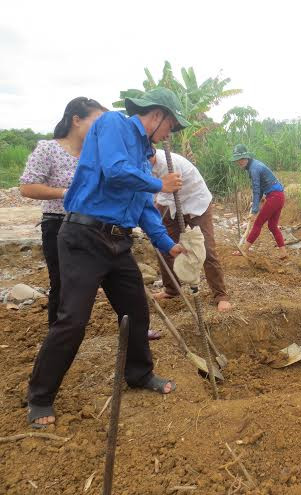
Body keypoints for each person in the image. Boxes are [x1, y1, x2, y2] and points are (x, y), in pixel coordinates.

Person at [26, 88, 190, 428]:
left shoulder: (144, 152)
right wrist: (159, 183)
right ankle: (40, 397)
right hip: (84, 236)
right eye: (170, 126)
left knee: (136, 311)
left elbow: (143, 207)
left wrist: (166, 243)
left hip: (117, 242)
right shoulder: (115, 125)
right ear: (156, 114)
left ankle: (139, 374)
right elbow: (115, 171)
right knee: (72, 319)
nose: (168, 135)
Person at [19, 97, 107, 325]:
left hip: (92, 225)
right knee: (61, 283)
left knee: (101, 279)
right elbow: (27, 187)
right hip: (58, 224)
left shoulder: (96, 153)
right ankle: (57, 337)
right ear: (76, 120)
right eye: (96, 122)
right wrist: (66, 193)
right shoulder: (48, 149)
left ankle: (132, 327)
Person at [150, 148, 232, 312]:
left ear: (150, 155)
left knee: (207, 250)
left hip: (196, 202)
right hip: (169, 203)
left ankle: (220, 295)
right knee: (163, 245)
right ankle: (171, 289)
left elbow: (169, 189)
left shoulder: (167, 163)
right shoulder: (142, 164)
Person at [231, 144, 287, 259]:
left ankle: (244, 250)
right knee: (272, 226)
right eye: (237, 160)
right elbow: (261, 188)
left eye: (241, 159)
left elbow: (256, 190)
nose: (239, 162)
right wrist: (254, 205)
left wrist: (255, 211)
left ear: (246, 157)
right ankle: (283, 253)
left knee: (257, 223)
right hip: (279, 196)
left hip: (274, 197)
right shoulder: (254, 165)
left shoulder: (254, 169)